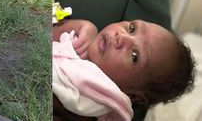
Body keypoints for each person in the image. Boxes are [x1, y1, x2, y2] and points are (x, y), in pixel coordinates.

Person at [52, 18, 195, 121]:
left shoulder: (92, 104)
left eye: (134, 56)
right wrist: (82, 26)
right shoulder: (80, 38)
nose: (121, 36)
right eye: (131, 29)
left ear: (133, 96)